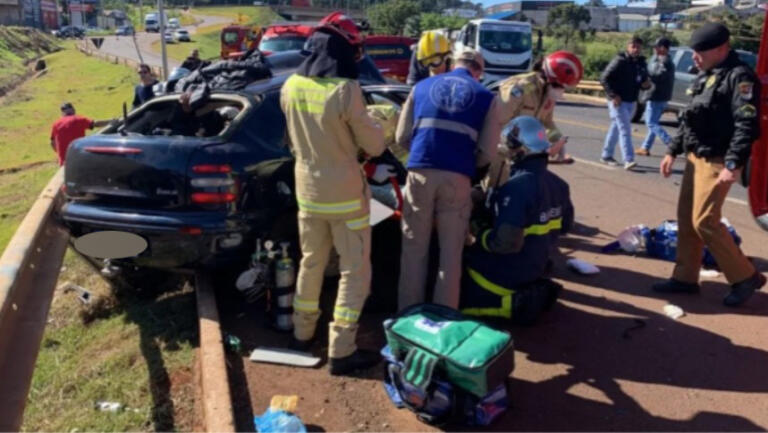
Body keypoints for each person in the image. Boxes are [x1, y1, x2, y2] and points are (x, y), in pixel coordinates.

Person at [280, 12, 386, 375]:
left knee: (311, 262)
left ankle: (301, 334)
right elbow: (373, 145)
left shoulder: (291, 86)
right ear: (344, 50)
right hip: (345, 197)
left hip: (307, 193)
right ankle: (342, 350)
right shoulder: (347, 91)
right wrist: (377, 123)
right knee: (354, 271)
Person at [655, 22, 765, 306]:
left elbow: (747, 124)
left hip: (718, 159)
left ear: (720, 49)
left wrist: (733, 163)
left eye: (700, 51)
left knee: (705, 221)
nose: (694, 56)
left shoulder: (740, 78)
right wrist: (672, 151)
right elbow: (690, 118)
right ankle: (685, 278)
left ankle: (745, 277)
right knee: (687, 221)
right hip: (695, 155)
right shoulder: (706, 75)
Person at [395, 49, 501, 310]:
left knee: (414, 249)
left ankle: (407, 316)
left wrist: (423, 154)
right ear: (478, 71)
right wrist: (465, 166)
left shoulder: (421, 87)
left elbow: (400, 137)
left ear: (452, 64)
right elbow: (487, 152)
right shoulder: (487, 97)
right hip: (457, 177)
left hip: (420, 171)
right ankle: (443, 319)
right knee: (450, 254)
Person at [461, 116, 573, 322]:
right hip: (531, 271)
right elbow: (565, 226)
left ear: (519, 149)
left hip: (496, 281)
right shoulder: (559, 185)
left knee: (446, 263)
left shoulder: (518, 187)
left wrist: (477, 228)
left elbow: (504, 244)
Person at [488, 50, 583, 190]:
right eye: (561, 87)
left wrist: (558, 141)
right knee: (497, 191)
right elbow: (497, 122)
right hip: (501, 150)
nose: (562, 91)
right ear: (550, 79)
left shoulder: (548, 93)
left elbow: (547, 123)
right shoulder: (520, 89)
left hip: (525, 154)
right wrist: (513, 149)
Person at [600, 36, 650, 170]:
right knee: (625, 129)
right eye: (633, 46)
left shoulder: (641, 63)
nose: (635, 49)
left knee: (616, 128)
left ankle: (606, 155)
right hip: (618, 101)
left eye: (638, 47)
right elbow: (604, 78)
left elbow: (643, 82)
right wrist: (613, 95)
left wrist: (646, 85)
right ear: (628, 47)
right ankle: (628, 159)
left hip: (631, 101)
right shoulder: (619, 61)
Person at [636, 37, 675, 156]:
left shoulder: (666, 62)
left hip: (657, 96)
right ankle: (645, 147)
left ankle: (671, 142)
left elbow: (659, 76)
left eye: (656, 46)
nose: (654, 49)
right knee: (653, 123)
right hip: (654, 94)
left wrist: (646, 75)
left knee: (651, 122)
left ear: (663, 48)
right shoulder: (656, 59)